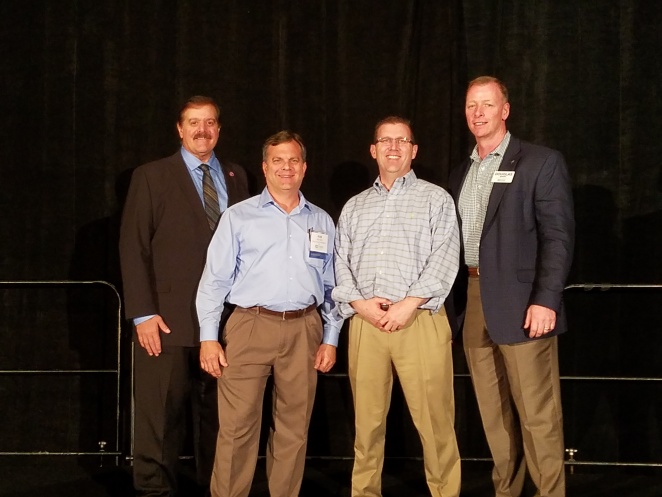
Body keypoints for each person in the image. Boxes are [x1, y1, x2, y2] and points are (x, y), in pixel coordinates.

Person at [196, 130, 342, 497]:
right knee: (237, 426)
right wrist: (209, 337)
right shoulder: (238, 217)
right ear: (265, 167)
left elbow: (332, 285)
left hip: (305, 328)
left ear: (305, 168)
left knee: (294, 427)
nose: (286, 167)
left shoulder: (322, 221)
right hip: (249, 325)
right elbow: (214, 281)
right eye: (278, 160)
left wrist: (330, 337)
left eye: (293, 160)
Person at [448, 76, 575, 497]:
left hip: (524, 306)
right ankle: (507, 490)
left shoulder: (540, 161)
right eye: (471, 106)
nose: (477, 113)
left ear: (505, 110)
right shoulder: (462, 171)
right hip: (473, 299)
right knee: (494, 414)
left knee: (537, 415)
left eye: (487, 104)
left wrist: (545, 299)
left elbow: (557, 238)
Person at [119, 95, 249, 497]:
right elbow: (133, 246)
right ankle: (154, 491)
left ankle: (217, 489)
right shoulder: (152, 176)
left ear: (219, 129)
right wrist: (143, 314)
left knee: (218, 419)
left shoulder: (236, 175)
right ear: (179, 128)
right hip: (167, 321)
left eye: (210, 122)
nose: (202, 130)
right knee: (161, 420)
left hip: (226, 321)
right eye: (194, 122)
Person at [332, 116, 462, 497]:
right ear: (373, 150)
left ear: (413, 149)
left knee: (435, 423)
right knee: (366, 426)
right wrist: (361, 304)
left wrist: (409, 304)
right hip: (366, 324)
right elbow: (340, 262)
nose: (393, 147)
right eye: (385, 141)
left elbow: (445, 257)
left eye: (401, 140)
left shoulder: (436, 199)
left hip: (419, 320)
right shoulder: (355, 207)